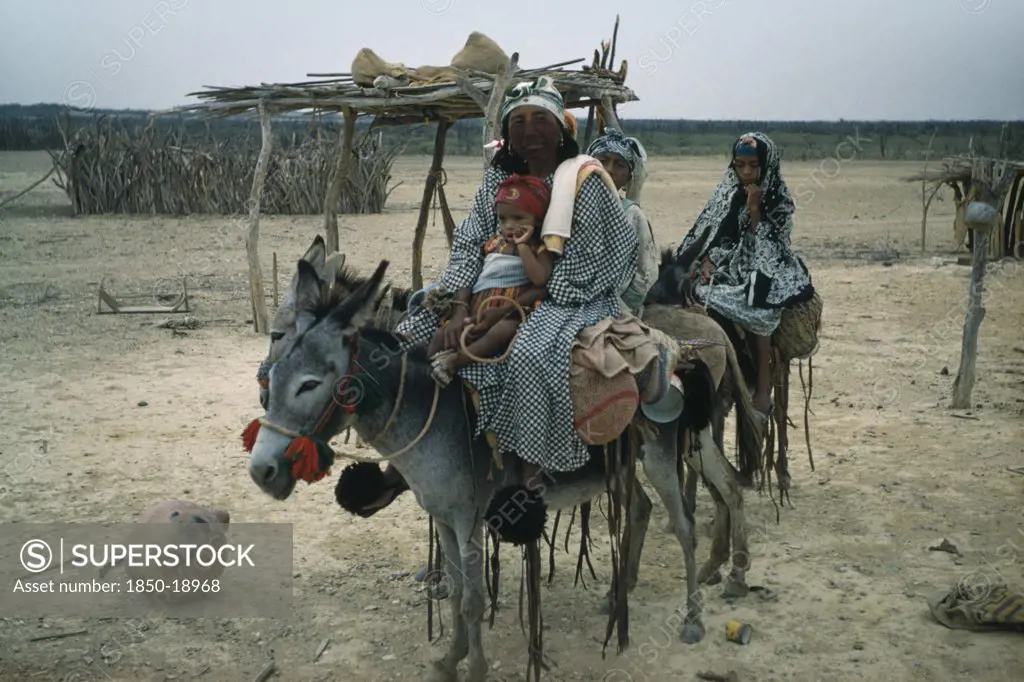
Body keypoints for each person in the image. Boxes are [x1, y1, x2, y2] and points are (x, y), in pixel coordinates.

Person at [396, 75, 637, 478]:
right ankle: (421, 455)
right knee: (412, 327)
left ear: (559, 126)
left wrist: (506, 306)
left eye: (539, 119)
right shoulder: (497, 179)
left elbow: (580, 267)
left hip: (567, 292)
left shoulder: (584, 180)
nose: (530, 132)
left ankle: (532, 470)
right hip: (494, 283)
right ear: (507, 132)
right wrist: (459, 306)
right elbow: (472, 240)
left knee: (529, 354)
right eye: (518, 122)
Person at [672, 132, 815, 418]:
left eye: (753, 165)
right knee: (699, 292)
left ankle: (761, 389)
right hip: (732, 262)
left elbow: (770, 245)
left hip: (770, 263)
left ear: (767, 164)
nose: (746, 172)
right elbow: (713, 233)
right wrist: (708, 260)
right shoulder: (728, 193)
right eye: (740, 165)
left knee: (757, 303)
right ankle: (726, 373)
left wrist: (754, 212)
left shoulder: (779, 200)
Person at [428, 173, 554, 386]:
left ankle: (454, 362)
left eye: (518, 218)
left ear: (538, 219)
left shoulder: (538, 248)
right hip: (478, 307)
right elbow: (475, 272)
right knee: (442, 333)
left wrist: (523, 246)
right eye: (503, 219)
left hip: (510, 311)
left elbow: (540, 279)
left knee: (501, 331)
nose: (509, 226)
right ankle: (421, 370)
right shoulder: (493, 243)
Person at [586, 127, 659, 316]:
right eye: (602, 161)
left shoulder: (632, 214)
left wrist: (624, 305)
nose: (608, 169)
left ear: (628, 177)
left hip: (617, 306)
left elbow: (646, 271)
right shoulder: (572, 207)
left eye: (619, 165)